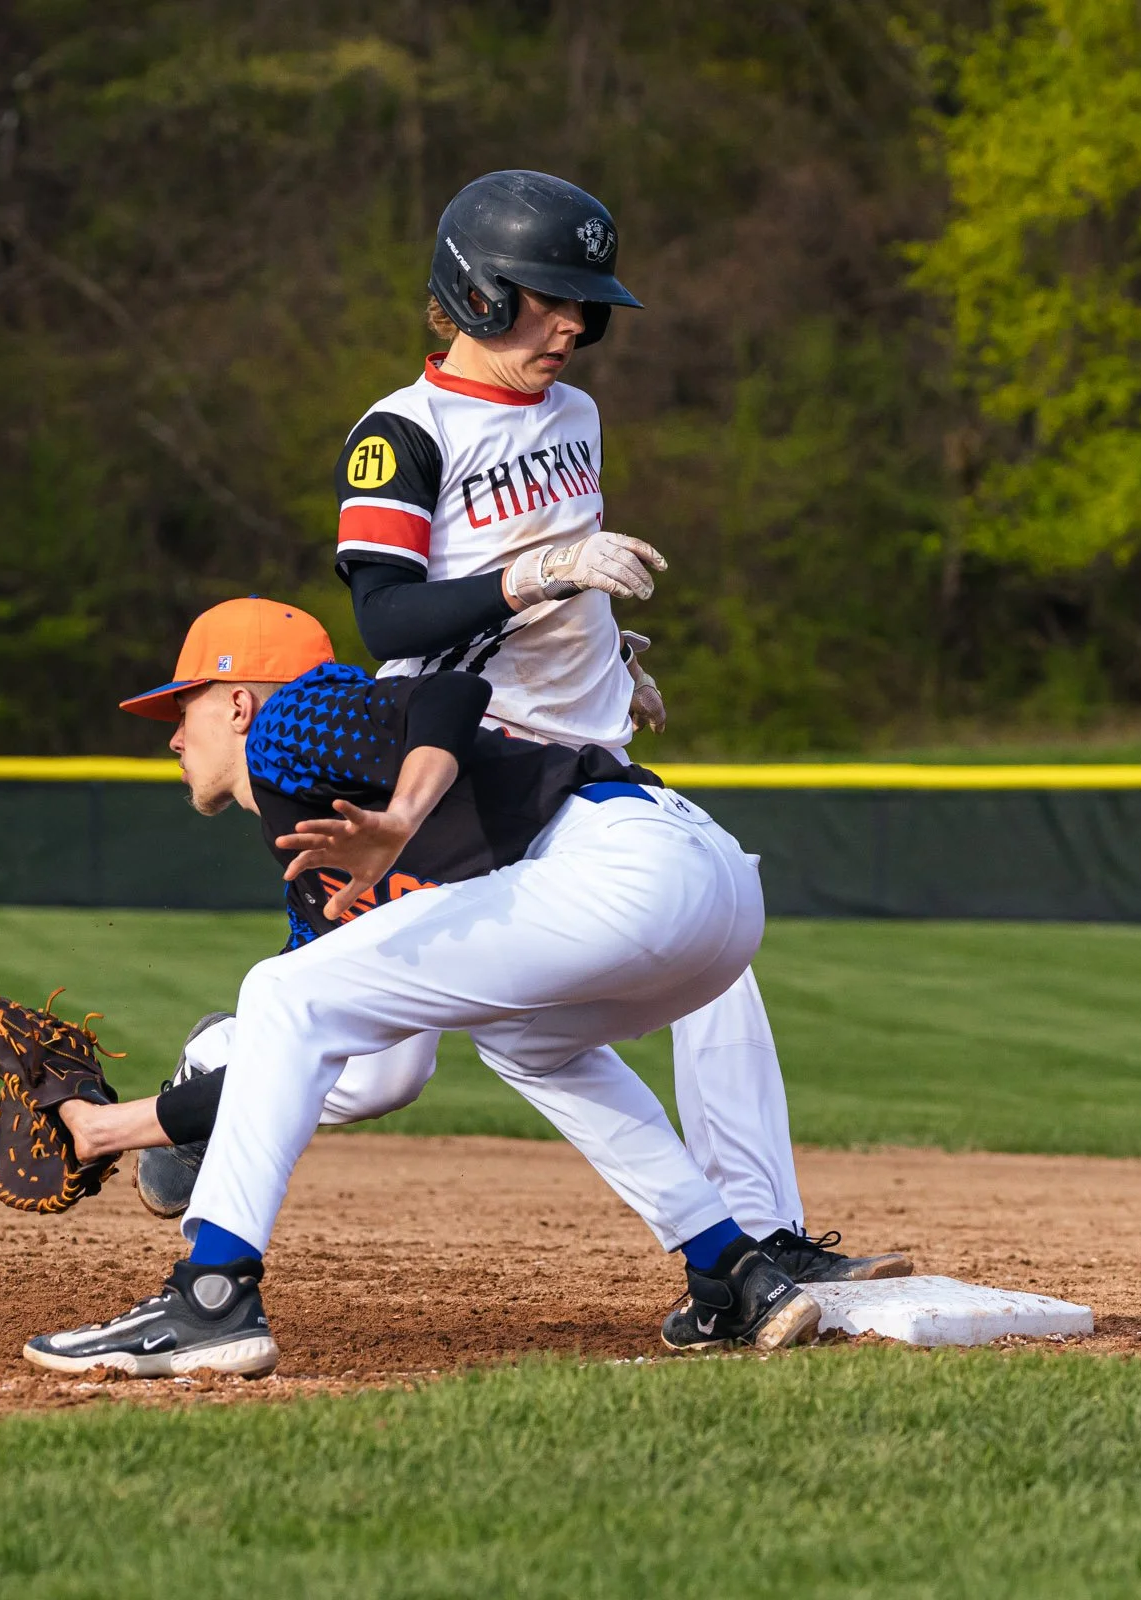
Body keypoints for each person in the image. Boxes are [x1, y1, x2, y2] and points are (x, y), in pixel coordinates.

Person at [325, 169, 908, 1328]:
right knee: (383, 1062)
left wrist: (605, 649)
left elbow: (558, 574)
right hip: (465, 751)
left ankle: (758, 1237)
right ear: (477, 291)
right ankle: (207, 1079)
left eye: (583, 306)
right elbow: (387, 621)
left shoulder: (574, 416)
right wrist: (539, 575)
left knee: (709, 948)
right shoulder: (401, 433)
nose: (571, 325)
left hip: (573, 754)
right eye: (547, 298)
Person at [22, 598, 822, 1376]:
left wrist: (403, 816)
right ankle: (733, 1273)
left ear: (238, 704)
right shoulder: (316, 855)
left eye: (182, 707)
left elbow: (449, 694)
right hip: (707, 892)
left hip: (623, 861)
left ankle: (211, 1296)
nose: (172, 737)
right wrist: (106, 1129)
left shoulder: (285, 724)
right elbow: (349, 1070)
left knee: (280, 991)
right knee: (521, 1041)